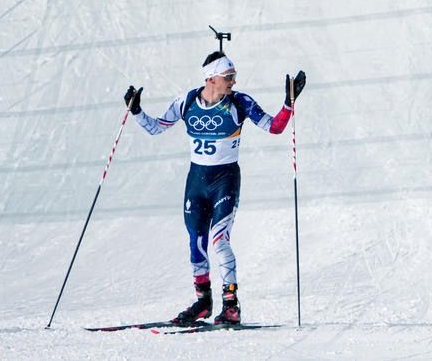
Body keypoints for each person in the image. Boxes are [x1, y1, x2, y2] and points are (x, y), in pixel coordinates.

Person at [123, 50, 305, 325]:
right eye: (228, 76)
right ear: (211, 78)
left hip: (225, 181)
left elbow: (274, 127)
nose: (233, 81)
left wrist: (289, 104)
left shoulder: (240, 102)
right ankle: (203, 302)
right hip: (196, 182)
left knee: (220, 241)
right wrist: (136, 110)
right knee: (196, 243)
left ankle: (230, 305)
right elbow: (155, 127)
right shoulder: (186, 102)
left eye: (233, 76)